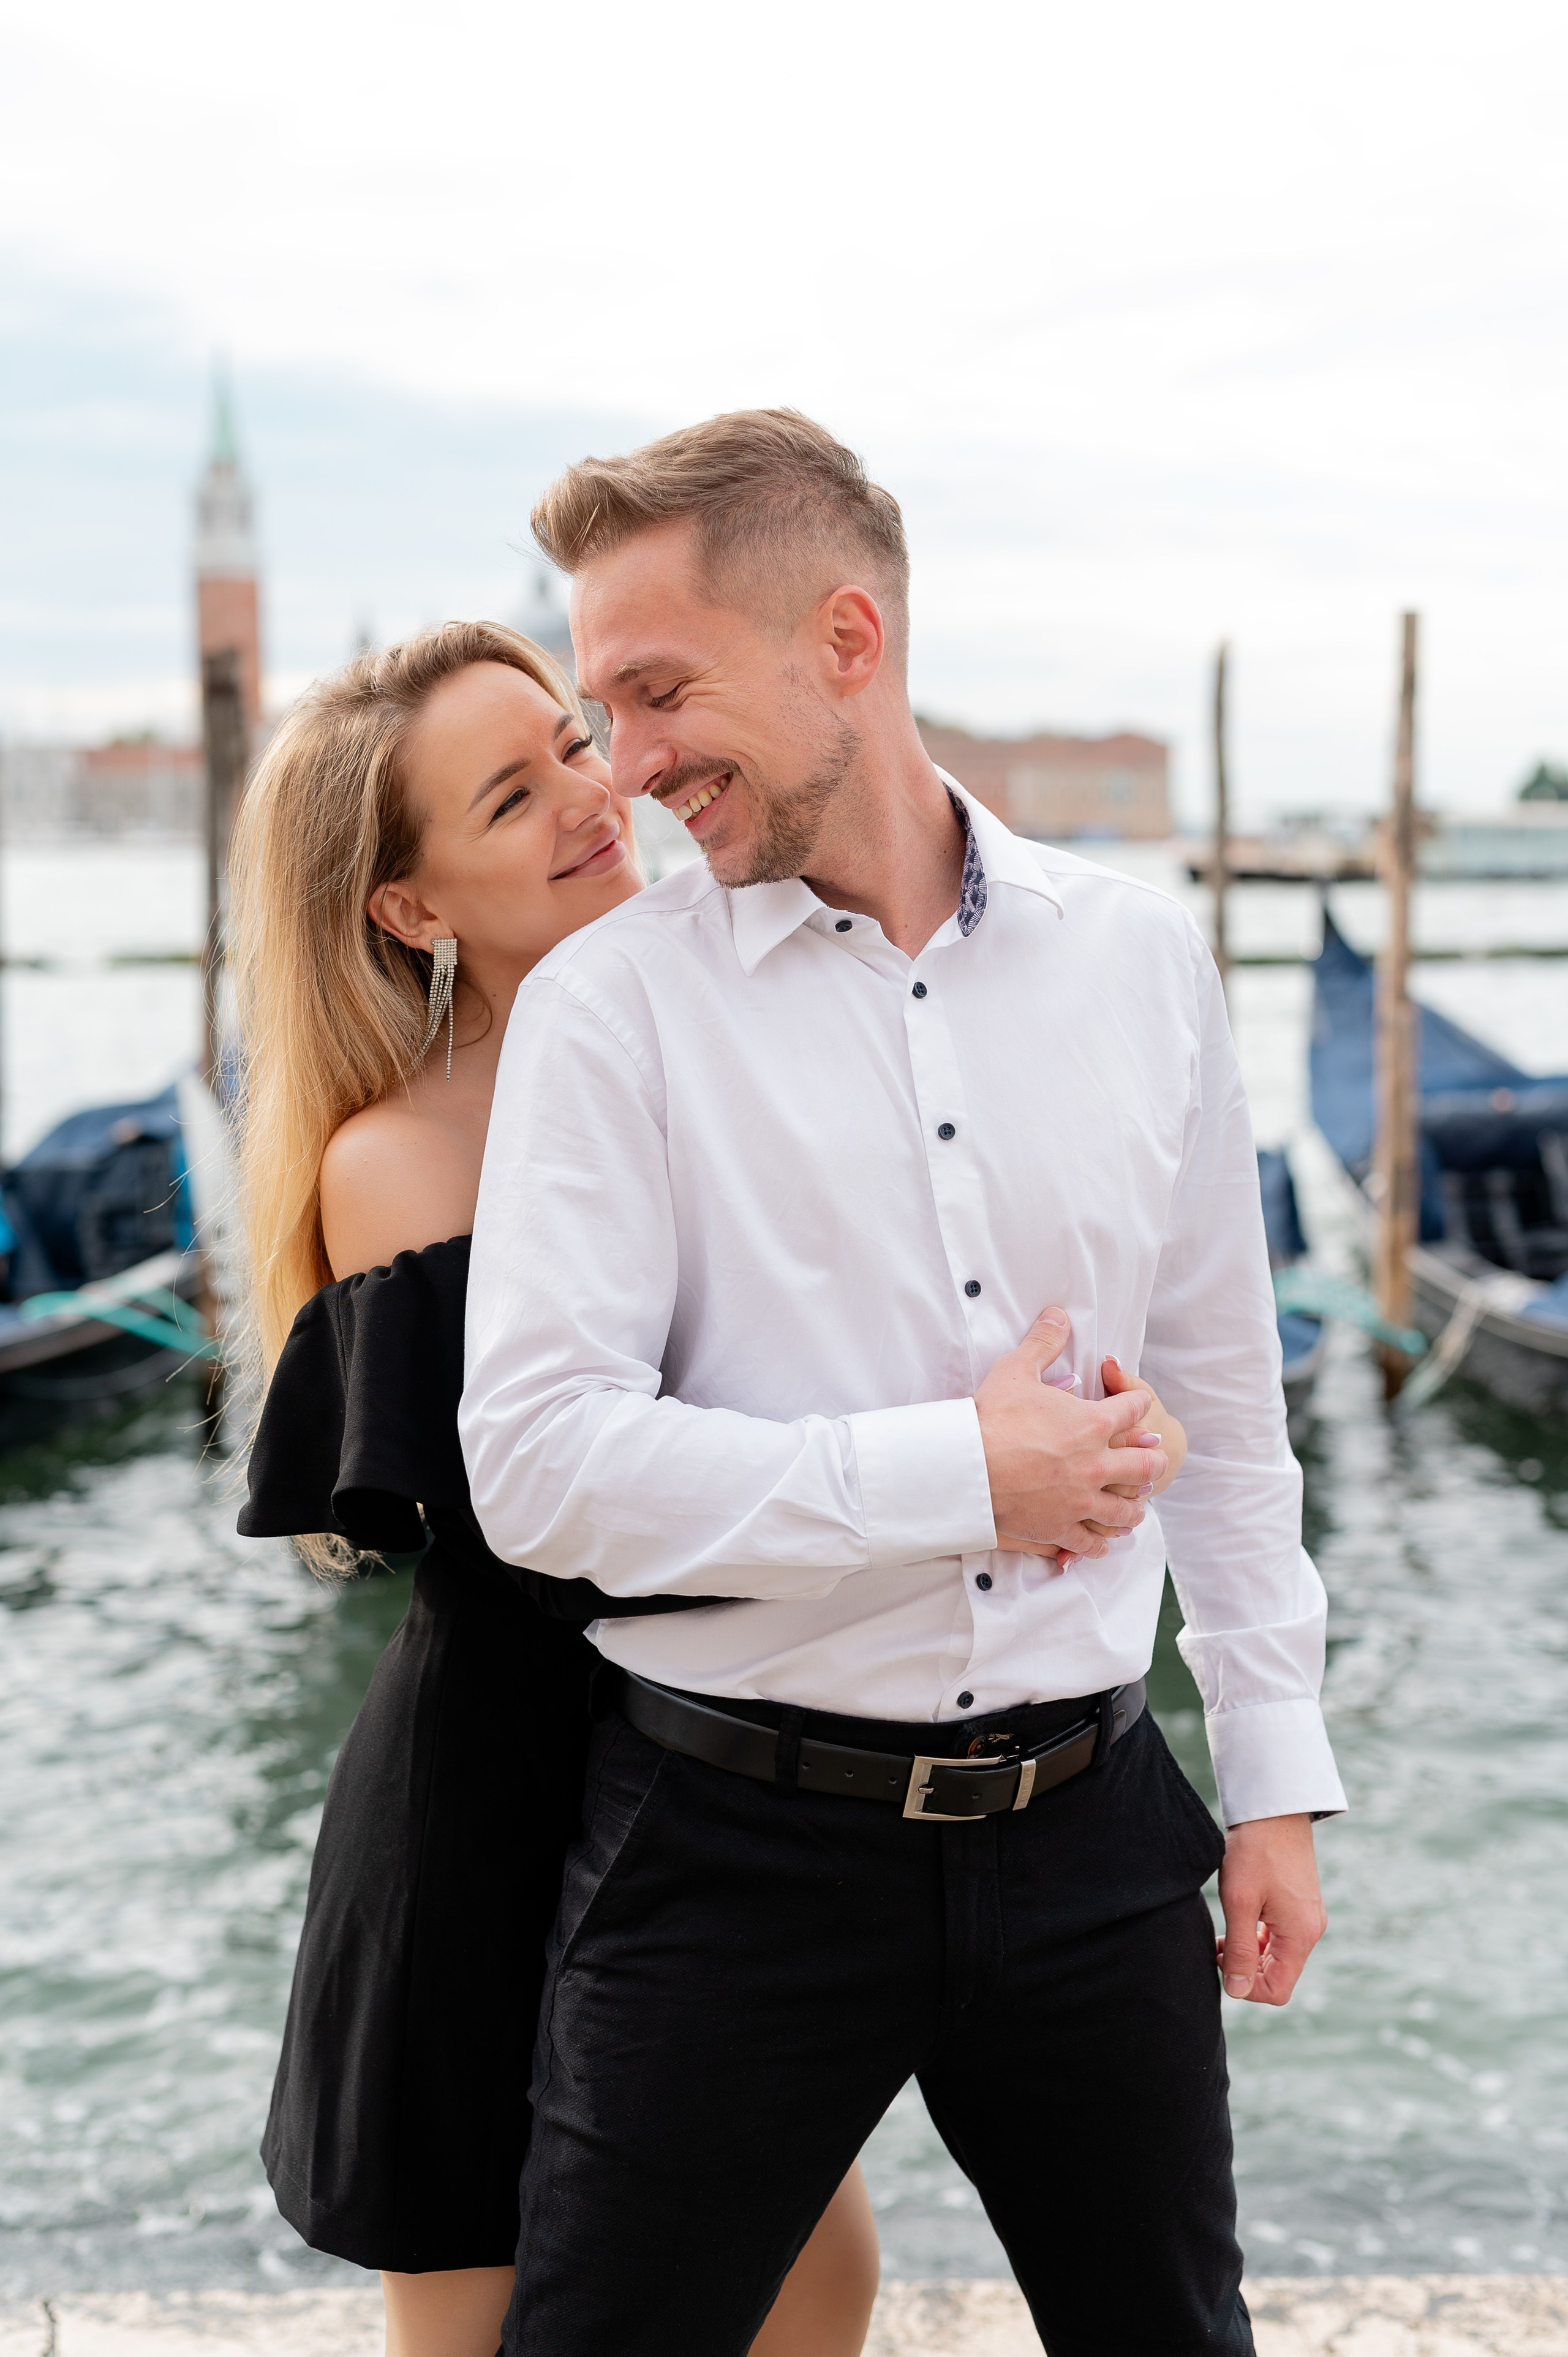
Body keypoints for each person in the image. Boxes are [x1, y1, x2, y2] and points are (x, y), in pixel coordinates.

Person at [459, 410, 1349, 2357]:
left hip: (1095, 1823)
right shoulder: (611, 1011)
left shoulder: (1143, 960)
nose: (626, 762)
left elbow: (1223, 1395)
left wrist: (1272, 1776)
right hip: (728, 1850)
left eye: (657, 690)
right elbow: (537, 1464)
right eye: (601, 710)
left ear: (845, 642)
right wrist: (962, 1472)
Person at [228, 620, 884, 2357]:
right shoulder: (401, 1162)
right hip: (507, 1806)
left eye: (572, 746)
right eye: (511, 798)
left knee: (819, 2284)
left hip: (729, 1768)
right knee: (489, 2315)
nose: (592, 796)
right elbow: (563, 1529)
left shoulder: (745, 1036)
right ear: (410, 907)